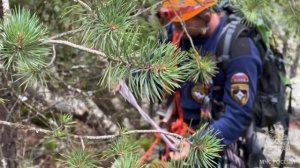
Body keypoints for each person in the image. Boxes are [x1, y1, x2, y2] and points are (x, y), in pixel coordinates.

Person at [158, 0, 263, 167]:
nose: (176, 30)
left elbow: (237, 116)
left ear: (206, 16)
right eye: (175, 24)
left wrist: (197, 143)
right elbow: (153, 66)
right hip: (177, 132)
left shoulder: (239, 49)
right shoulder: (177, 34)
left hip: (218, 138)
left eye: (182, 25)